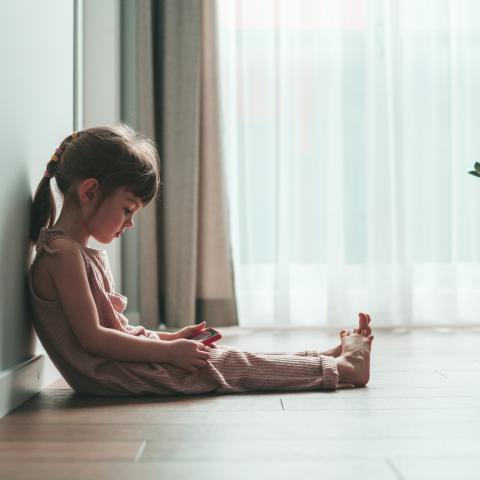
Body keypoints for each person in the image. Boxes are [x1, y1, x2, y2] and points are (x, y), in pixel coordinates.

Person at [27, 124, 374, 396]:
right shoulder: (63, 255)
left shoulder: (71, 251)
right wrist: (168, 353)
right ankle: (343, 370)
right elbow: (94, 339)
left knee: (228, 358)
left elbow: (114, 331)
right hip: (111, 376)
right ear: (90, 192)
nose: (129, 223)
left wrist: (169, 340)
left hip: (117, 367)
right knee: (230, 365)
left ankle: (325, 360)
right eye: (128, 210)